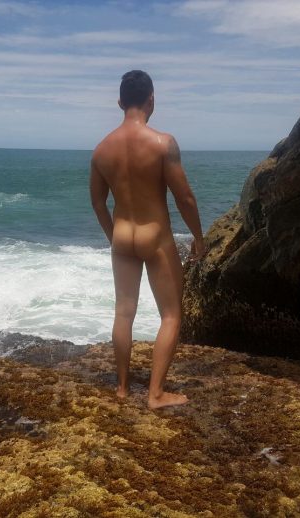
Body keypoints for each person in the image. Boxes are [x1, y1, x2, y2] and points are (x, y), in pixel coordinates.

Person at [90, 69, 208, 409]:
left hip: (122, 237)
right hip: (155, 238)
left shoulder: (101, 150)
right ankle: (155, 394)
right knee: (170, 315)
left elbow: (98, 203)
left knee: (123, 312)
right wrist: (198, 237)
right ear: (151, 100)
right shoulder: (162, 143)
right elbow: (185, 198)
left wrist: (113, 237)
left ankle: (122, 388)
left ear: (119, 102)